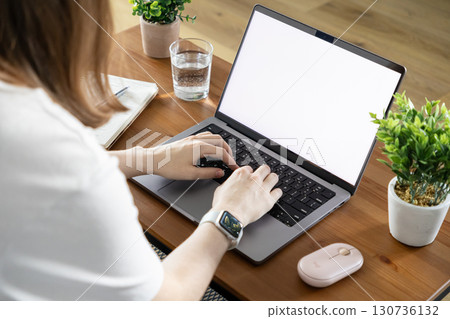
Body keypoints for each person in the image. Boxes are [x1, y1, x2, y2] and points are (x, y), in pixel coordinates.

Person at [0, 0, 282, 300]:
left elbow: (41, 166)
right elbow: (163, 301)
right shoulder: (68, 164)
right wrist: (229, 216)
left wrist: (148, 158)